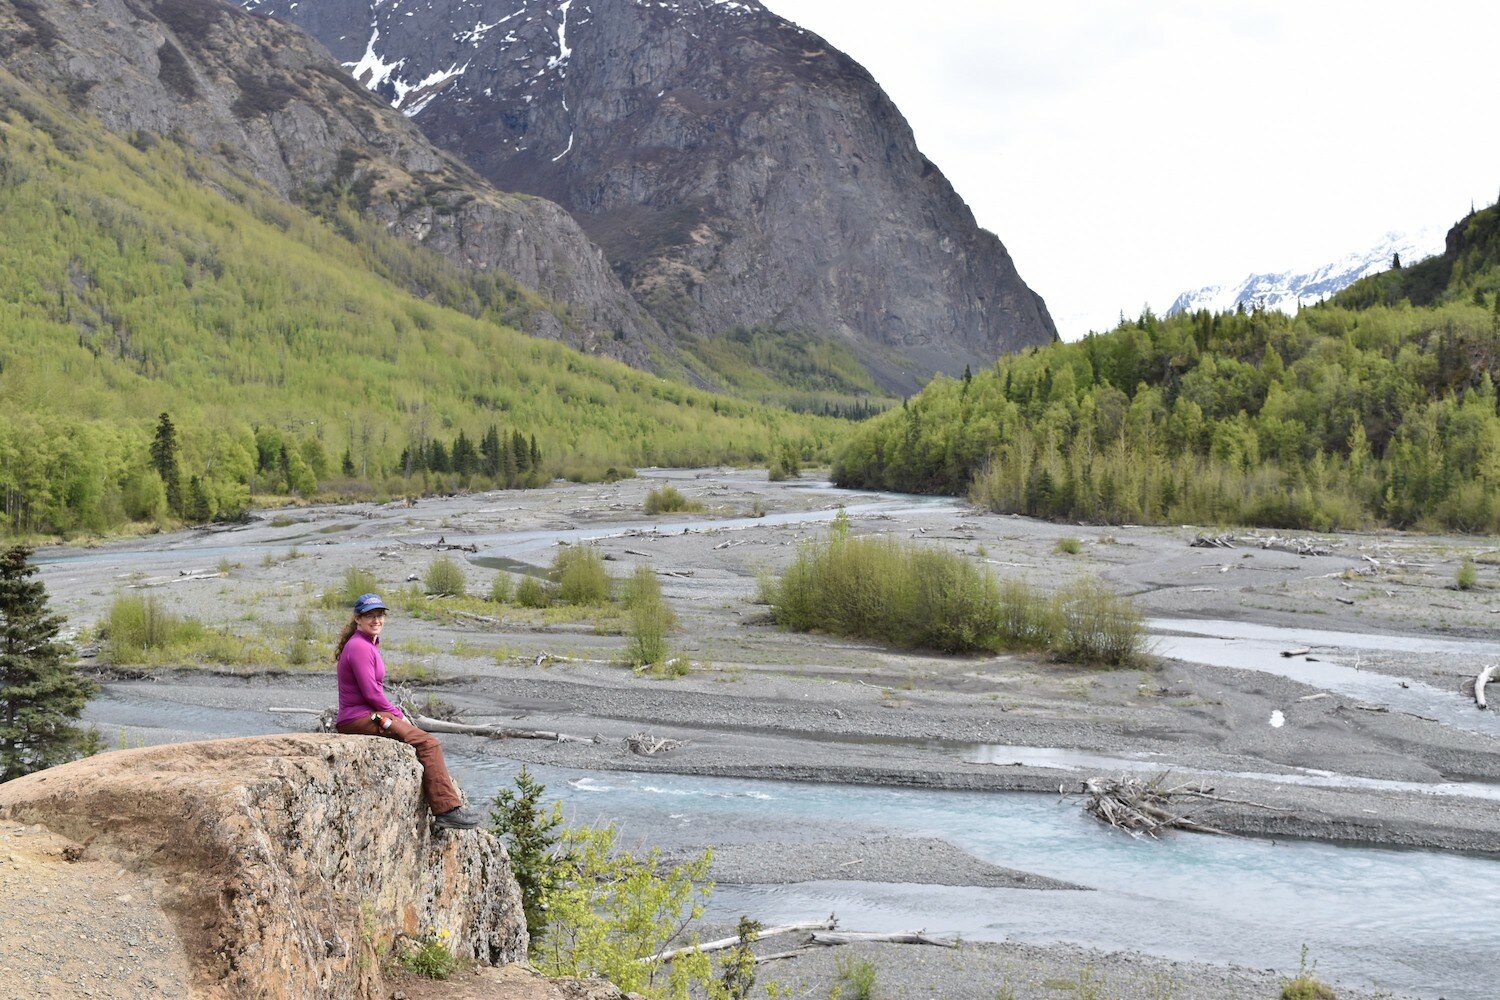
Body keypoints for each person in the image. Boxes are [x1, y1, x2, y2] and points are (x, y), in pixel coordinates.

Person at [334, 593, 480, 829]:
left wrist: (393, 713)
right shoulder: (360, 647)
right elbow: (371, 693)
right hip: (359, 718)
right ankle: (446, 811)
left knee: (420, 739)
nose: (376, 620)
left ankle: (446, 808)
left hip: (365, 714)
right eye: (369, 615)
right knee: (428, 743)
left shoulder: (365, 644)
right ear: (358, 619)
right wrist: (397, 713)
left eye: (379, 615)